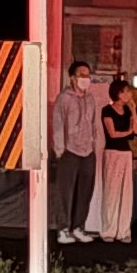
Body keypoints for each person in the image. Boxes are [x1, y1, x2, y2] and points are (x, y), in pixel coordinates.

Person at [48, 58, 106, 242]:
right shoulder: (63, 99)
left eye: (88, 76)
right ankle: (63, 228)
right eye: (82, 75)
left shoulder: (90, 98)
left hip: (88, 150)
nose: (86, 79)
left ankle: (78, 226)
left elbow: (93, 123)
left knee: (85, 190)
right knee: (65, 190)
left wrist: (94, 143)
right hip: (69, 150)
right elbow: (58, 125)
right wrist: (59, 149)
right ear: (72, 78)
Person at [101, 75, 137, 243]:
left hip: (126, 152)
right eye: (126, 92)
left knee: (126, 192)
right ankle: (108, 230)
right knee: (112, 191)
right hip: (112, 152)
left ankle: (124, 231)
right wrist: (128, 132)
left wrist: (133, 110)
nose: (129, 94)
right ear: (118, 93)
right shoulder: (107, 110)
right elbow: (112, 134)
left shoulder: (127, 111)